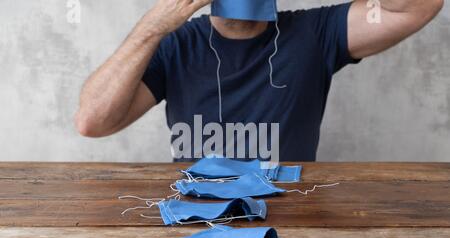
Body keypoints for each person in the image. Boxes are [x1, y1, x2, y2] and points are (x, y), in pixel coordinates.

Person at [76, 0, 444, 161]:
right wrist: (153, 25)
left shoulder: (314, 34)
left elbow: (419, 5)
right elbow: (93, 120)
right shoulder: (176, 45)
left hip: (290, 229)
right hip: (198, 228)